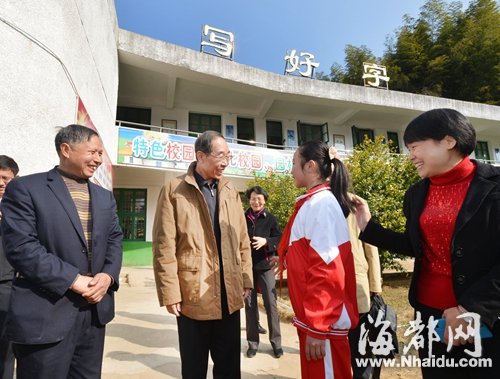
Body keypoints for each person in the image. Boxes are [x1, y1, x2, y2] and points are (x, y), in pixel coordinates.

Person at [353, 108, 500, 378]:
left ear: (448, 141)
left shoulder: (494, 186)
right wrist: (367, 226)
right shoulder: (416, 193)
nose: (410, 156)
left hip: (482, 316)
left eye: (415, 147)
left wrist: (472, 309)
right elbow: (415, 245)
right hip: (429, 315)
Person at [0, 125, 123, 379]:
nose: (99, 159)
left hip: (93, 313)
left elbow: (114, 239)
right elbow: (22, 248)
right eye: (93, 152)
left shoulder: (104, 197)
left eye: (101, 153)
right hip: (46, 313)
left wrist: (108, 276)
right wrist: (73, 279)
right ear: (66, 150)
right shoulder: (26, 188)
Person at [152, 130, 253, 379]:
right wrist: (170, 292)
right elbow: (164, 246)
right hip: (192, 294)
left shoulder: (230, 191)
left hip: (229, 294)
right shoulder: (174, 189)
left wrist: (246, 278)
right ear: (200, 155)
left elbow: (242, 240)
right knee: (194, 368)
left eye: (228, 156)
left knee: (229, 368)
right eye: (220, 156)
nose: (225, 162)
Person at [276, 140, 359, 379]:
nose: (291, 170)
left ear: (310, 166)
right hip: (318, 321)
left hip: (323, 325)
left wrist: (318, 326)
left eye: (294, 163)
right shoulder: (315, 201)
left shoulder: (321, 205)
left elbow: (327, 271)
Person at [244, 186, 283, 359]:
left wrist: (266, 241)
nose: (256, 201)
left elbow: (279, 239)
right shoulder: (243, 218)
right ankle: (252, 343)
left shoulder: (271, 219)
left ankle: (276, 343)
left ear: (264, 200)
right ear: (249, 200)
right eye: (253, 198)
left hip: (265, 266)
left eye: (259, 198)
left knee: (271, 305)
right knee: (250, 306)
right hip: (246, 268)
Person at [346, 211, 383, 379]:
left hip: (356, 283)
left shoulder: (354, 207)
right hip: (330, 286)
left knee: (359, 341)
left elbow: (371, 247)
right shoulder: (319, 203)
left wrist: (375, 284)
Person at [0, 155, 19, 379]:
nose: (2, 182)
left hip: (6, 285)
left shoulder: (18, 210)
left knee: (5, 348)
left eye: (6, 178)